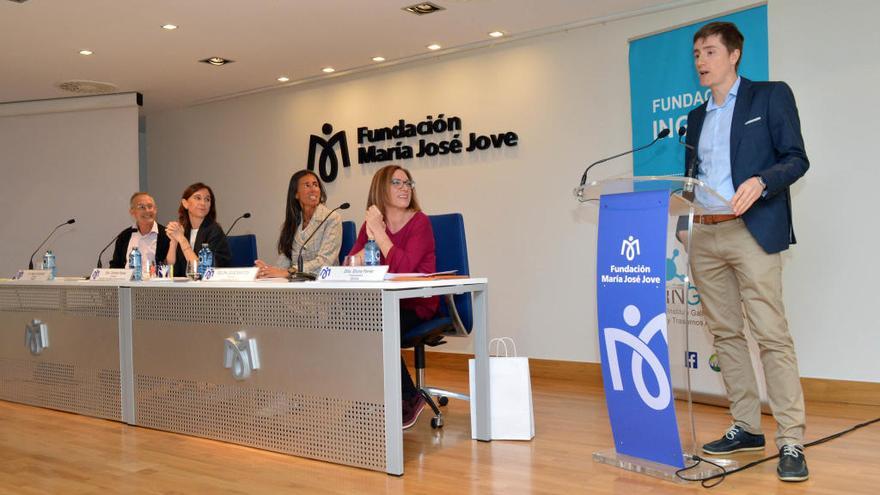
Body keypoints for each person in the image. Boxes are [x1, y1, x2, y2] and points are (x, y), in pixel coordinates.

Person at [684, 22, 810, 482]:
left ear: (734, 55)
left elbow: (796, 157)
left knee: (771, 335)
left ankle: (791, 438)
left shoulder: (769, 96)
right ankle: (746, 426)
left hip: (752, 229)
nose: (701, 60)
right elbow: (692, 177)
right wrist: (686, 223)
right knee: (725, 336)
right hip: (705, 235)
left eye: (710, 51)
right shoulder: (696, 118)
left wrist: (762, 182)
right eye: (697, 53)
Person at [348, 165, 438, 429]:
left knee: (377, 324)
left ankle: (408, 398)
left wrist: (381, 234)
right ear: (380, 189)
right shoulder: (370, 226)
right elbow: (350, 264)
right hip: (385, 304)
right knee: (355, 321)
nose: (405, 188)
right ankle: (371, 400)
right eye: (397, 182)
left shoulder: (420, 221)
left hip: (417, 303)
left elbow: (405, 270)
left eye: (408, 183)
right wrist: (362, 253)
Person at [255, 170, 342, 278]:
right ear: (296, 193)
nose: (313, 189)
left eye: (315, 185)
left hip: (324, 286)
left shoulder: (332, 218)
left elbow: (324, 262)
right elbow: (285, 260)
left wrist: (290, 272)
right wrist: (267, 270)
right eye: (307, 185)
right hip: (298, 285)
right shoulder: (293, 223)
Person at [165, 182, 231, 276]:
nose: (203, 203)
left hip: (209, 289)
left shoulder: (215, 231)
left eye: (207, 199)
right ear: (185, 203)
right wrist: (173, 242)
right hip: (183, 288)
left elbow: (203, 272)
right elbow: (170, 271)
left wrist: (182, 240)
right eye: (198, 198)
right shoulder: (183, 230)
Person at [109, 192, 170, 270]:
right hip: (127, 282)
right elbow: (115, 265)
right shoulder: (124, 236)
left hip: (155, 281)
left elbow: (171, 267)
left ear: (155, 210)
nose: (147, 210)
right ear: (132, 212)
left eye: (150, 206)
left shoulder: (166, 235)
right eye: (142, 207)